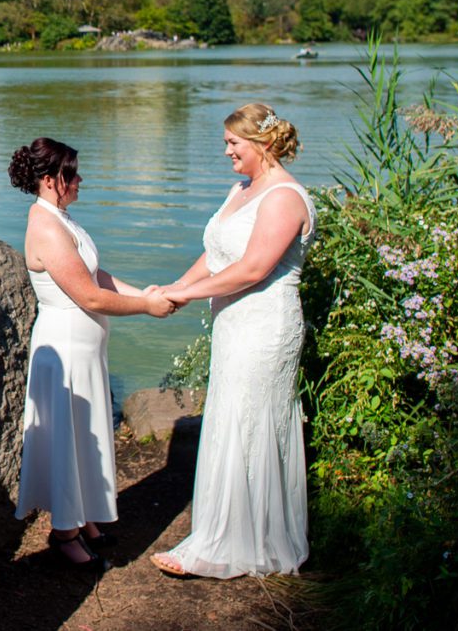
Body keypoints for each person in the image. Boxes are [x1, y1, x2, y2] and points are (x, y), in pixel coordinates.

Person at [149, 104, 316, 579]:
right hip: (233, 324)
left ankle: (242, 543)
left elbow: (252, 269)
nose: (226, 153)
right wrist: (174, 289)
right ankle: (226, 533)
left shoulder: (284, 197)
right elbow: (217, 254)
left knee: (253, 422)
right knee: (229, 419)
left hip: (265, 325)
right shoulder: (242, 190)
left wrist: (184, 293)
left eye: (233, 144)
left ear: (261, 146)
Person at [8, 138, 176, 567]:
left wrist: (147, 293)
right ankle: (63, 532)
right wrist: (146, 307)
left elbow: (96, 274)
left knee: (87, 435)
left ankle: (82, 518)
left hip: (84, 348)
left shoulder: (61, 217)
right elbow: (91, 297)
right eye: (73, 174)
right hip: (64, 349)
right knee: (70, 435)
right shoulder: (45, 226)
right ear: (50, 180)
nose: (80, 180)